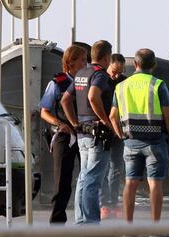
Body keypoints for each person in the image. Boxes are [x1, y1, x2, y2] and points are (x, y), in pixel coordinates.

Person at [109, 48, 169, 223]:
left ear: (136, 64)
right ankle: (154, 227)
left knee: (130, 183)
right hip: (155, 143)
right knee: (155, 184)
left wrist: (121, 135)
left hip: (130, 143)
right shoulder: (158, 85)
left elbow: (112, 116)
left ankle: (128, 228)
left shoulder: (121, 86)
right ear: (153, 65)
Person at [61, 40, 113, 224]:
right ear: (107, 57)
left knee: (83, 177)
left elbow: (65, 100)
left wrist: (75, 122)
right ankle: (91, 223)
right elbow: (93, 96)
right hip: (97, 134)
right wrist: (106, 121)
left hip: (82, 132)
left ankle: (81, 221)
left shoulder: (81, 73)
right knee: (93, 179)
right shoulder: (100, 75)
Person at [38, 44, 87, 224]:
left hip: (84, 135)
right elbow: (44, 111)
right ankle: (57, 222)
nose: (85, 63)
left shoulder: (87, 81)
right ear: (71, 62)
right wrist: (60, 124)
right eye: (82, 60)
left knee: (87, 177)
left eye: (86, 59)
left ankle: (85, 219)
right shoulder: (57, 83)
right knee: (63, 182)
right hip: (64, 136)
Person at [99, 53, 127, 219]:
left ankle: (114, 202)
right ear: (108, 64)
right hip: (103, 129)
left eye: (120, 72)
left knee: (117, 167)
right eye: (114, 71)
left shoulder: (124, 81)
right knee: (102, 168)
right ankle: (104, 204)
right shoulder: (100, 80)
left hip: (118, 130)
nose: (116, 75)